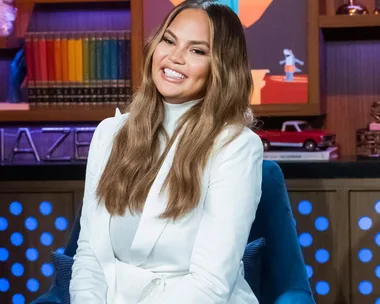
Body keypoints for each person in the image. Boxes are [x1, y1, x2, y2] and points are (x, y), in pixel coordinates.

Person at [69, 0, 263, 303]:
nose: (174, 58)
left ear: (221, 67)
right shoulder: (110, 133)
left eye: (197, 51)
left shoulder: (235, 146)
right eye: (169, 41)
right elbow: (90, 255)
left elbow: (210, 284)